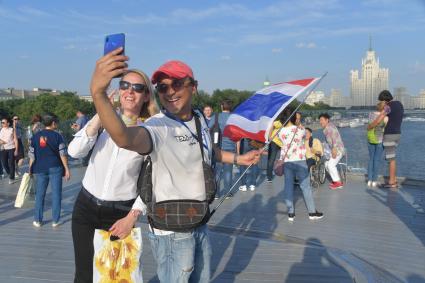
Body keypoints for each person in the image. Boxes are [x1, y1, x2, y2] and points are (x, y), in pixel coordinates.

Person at [90, 49, 260, 282]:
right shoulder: (158, 126)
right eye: (162, 87)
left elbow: (206, 150)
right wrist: (98, 94)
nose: (170, 92)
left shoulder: (199, 119)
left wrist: (239, 159)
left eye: (177, 84)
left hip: (199, 221)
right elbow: (123, 137)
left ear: (194, 87)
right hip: (171, 231)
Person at [68, 69, 158, 283]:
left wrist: (132, 217)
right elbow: (74, 151)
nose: (130, 91)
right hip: (85, 208)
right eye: (125, 85)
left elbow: (151, 182)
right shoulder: (103, 123)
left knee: (116, 277)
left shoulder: (149, 131)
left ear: (146, 95)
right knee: (84, 274)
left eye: (137, 88)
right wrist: (102, 111)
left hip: (119, 214)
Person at [277, 108, 323, 222]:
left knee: (288, 186)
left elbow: (274, 137)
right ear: (293, 117)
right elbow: (304, 133)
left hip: (287, 162)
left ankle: (291, 213)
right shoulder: (300, 130)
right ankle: (312, 212)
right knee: (305, 187)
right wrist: (298, 123)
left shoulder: (280, 131)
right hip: (300, 161)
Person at [28, 113, 71, 228]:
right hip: (55, 167)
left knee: (40, 195)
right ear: (53, 123)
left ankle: (37, 220)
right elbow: (63, 154)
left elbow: (31, 154)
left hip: (40, 168)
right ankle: (55, 221)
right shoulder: (58, 136)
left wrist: (30, 169)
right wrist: (67, 168)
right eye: (56, 122)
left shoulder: (35, 136)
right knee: (56, 194)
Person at [368, 90, 404, 189]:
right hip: (397, 134)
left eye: (381, 101)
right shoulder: (399, 104)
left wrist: (370, 126)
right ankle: (394, 180)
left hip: (390, 135)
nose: (381, 103)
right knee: (392, 158)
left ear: (384, 100)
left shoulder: (389, 107)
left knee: (391, 159)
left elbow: (380, 118)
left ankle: (392, 182)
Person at [214, 99, 237, 198]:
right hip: (231, 146)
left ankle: (216, 193)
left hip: (218, 147)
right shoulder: (234, 118)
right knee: (228, 171)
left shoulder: (217, 117)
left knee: (218, 171)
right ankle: (228, 193)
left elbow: (208, 128)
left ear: (222, 107)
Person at [319, 113, 345, 190]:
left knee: (330, 165)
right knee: (327, 164)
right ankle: (336, 180)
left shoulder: (330, 127)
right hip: (334, 149)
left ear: (327, 120)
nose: (320, 122)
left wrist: (334, 150)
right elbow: (329, 141)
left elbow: (335, 139)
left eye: (322, 120)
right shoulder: (326, 128)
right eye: (320, 120)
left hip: (338, 149)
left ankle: (338, 183)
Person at [366, 101, 388, 187]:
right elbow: (385, 129)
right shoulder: (386, 118)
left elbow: (369, 126)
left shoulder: (370, 114)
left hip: (370, 139)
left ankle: (369, 180)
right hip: (379, 140)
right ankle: (374, 181)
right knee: (376, 160)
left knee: (371, 159)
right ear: (384, 108)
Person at [266, 115, 284, 183]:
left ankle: (287, 173)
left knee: (286, 159)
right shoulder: (277, 121)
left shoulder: (288, 121)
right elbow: (271, 128)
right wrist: (269, 137)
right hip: (274, 142)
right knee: (271, 159)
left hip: (282, 143)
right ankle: (269, 176)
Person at [0, 117, 18, 184]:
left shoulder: (12, 130)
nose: (2, 124)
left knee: (11, 163)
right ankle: (10, 173)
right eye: (1, 122)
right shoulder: (1, 130)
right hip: (3, 148)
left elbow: (15, 140)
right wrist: (3, 142)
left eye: (3, 122)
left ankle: (11, 178)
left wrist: (16, 149)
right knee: (4, 163)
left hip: (11, 148)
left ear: (8, 123)